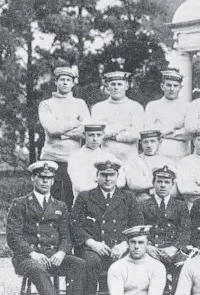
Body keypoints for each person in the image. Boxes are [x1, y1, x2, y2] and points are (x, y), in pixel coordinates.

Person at [6, 161, 86, 295]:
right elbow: (14, 237)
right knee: (38, 269)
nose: (45, 181)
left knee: (79, 263)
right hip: (27, 257)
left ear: (53, 181)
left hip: (53, 255)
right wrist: (32, 253)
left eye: (49, 178)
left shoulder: (60, 206)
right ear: (33, 178)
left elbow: (66, 236)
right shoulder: (20, 204)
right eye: (41, 177)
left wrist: (62, 252)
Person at [71, 158, 144, 295]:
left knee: (132, 260)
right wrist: (93, 243)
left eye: (112, 175)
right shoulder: (85, 197)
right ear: (97, 176)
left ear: (118, 176)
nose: (108, 179)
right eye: (104, 175)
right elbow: (76, 225)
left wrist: (124, 244)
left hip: (119, 247)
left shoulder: (128, 198)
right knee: (91, 261)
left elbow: (137, 225)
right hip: (92, 247)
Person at [97, 226, 175, 295]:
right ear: (128, 244)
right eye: (133, 242)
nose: (136, 246)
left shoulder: (157, 266)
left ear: (147, 244)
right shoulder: (117, 266)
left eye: (141, 242)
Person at [38, 66, 90, 206]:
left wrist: (62, 133)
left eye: (68, 80)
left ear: (73, 83)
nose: (65, 82)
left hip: (73, 158)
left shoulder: (80, 104)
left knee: (71, 196)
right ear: (56, 82)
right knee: (50, 196)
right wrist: (75, 122)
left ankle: (68, 227)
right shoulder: (46, 104)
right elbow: (51, 129)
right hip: (51, 158)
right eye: (62, 79)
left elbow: (86, 131)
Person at [139, 165, 191, 283]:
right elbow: (139, 230)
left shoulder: (180, 205)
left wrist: (174, 248)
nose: (163, 185)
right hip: (152, 250)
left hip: (173, 250)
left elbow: (185, 231)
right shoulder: (143, 205)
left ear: (172, 185)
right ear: (153, 183)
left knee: (184, 269)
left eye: (167, 182)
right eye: (159, 181)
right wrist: (147, 246)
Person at [91, 70, 144, 161]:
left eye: (119, 84)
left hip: (130, 159)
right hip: (106, 159)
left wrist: (112, 134)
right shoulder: (98, 107)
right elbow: (98, 133)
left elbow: (137, 134)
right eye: (113, 84)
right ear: (108, 87)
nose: (116, 87)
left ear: (126, 86)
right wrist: (123, 128)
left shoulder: (136, 107)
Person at [67, 120, 126, 202]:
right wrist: (107, 184)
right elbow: (81, 186)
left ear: (103, 136)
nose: (95, 139)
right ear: (84, 135)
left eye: (98, 135)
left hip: (108, 204)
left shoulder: (109, 156)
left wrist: (97, 181)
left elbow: (121, 182)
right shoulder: (75, 158)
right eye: (91, 135)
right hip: (85, 204)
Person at [143, 68, 191, 162]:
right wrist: (176, 131)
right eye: (168, 85)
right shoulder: (152, 105)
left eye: (175, 86)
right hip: (158, 155)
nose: (172, 89)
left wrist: (164, 132)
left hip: (181, 156)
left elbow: (189, 133)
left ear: (180, 87)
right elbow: (148, 130)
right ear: (162, 86)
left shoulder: (188, 107)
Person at [124, 128, 177, 201]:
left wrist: (150, 191)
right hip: (141, 203)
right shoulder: (133, 162)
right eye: (145, 142)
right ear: (141, 143)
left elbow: (174, 190)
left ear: (159, 142)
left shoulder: (168, 162)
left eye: (152, 141)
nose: (149, 145)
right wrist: (162, 183)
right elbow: (133, 184)